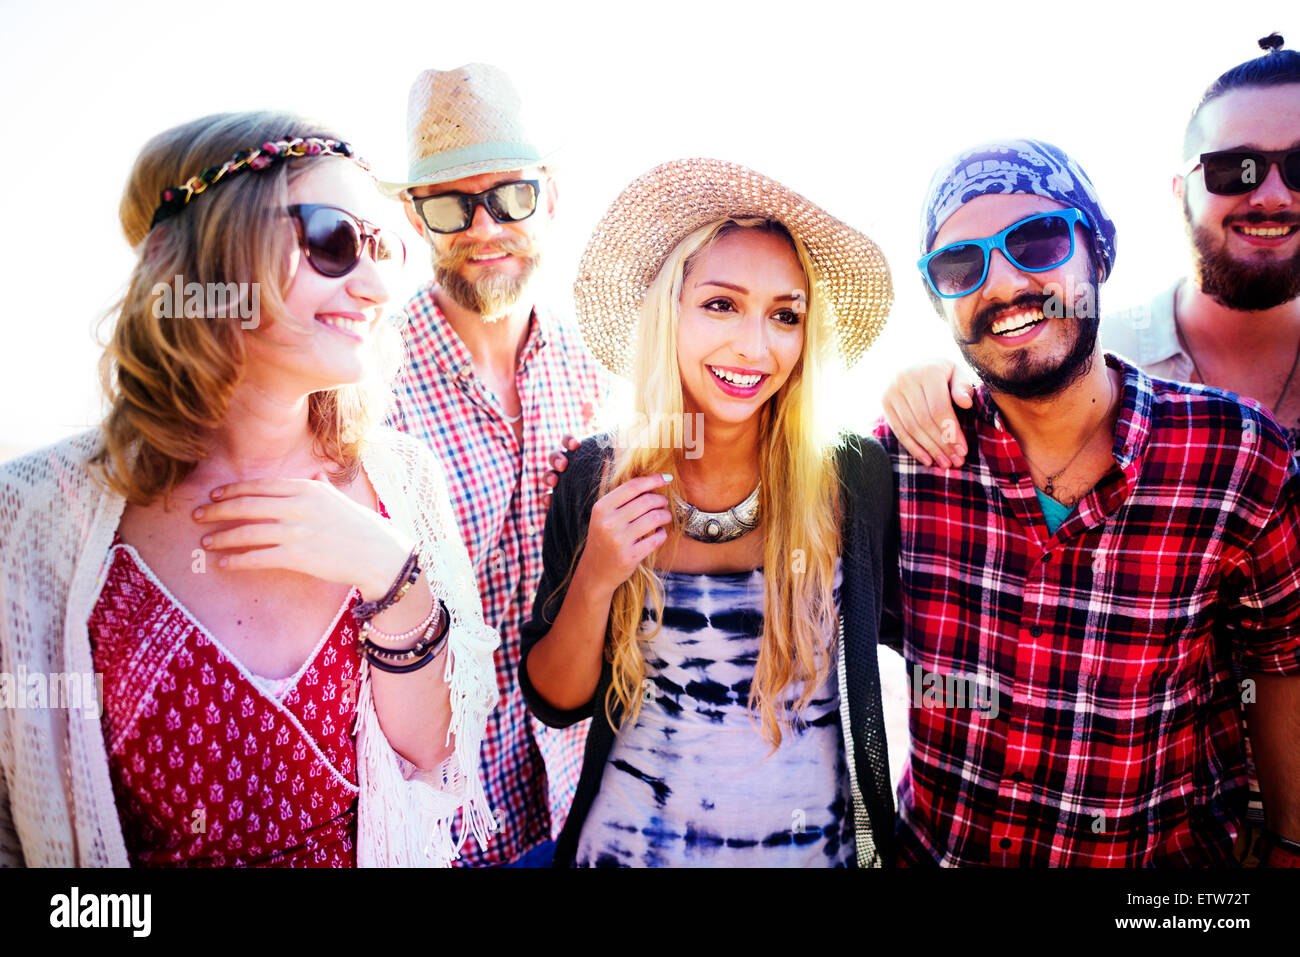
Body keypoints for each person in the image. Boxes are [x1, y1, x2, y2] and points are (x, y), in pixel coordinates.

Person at [0, 111, 499, 867]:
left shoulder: (402, 481)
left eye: (383, 249)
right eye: (333, 239)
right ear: (212, 254)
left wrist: (392, 575)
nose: (373, 286)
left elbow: (435, 756)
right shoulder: (38, 512)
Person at [876, 139, 1300, 865]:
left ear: (1096, 254)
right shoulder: (900, 465)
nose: (1004, 282)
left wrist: (1291, 842)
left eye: (1037, 240)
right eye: (960, 264)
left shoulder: (1235, 458)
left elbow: (1281, 663)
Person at [519, 158, 897, 867]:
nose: (755, 347)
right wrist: (597, 577)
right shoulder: (598, 476)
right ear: (671, 309)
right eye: (721, 304)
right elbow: (557, 698)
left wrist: (931, 384)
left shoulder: (854, 478)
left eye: (785, 315)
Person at [379, 64, 612, 867]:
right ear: (414, 220)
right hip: (439, 830)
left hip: (583, 811)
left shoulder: (603, 377)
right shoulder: (364, 394)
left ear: (551, 195)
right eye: (450, 203)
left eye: (509, 195)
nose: (484, 227)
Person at [882, 34, 1300, 467]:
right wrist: (931, 386)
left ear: (1098, 252)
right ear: (1180, 193)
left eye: (1039, 239)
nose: (1272, 197)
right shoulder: (1086, 340)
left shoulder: (1250, 452)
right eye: (1233, 170)